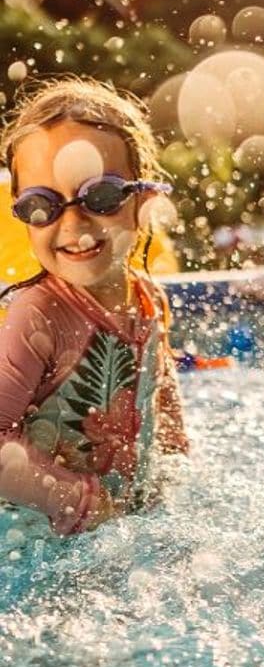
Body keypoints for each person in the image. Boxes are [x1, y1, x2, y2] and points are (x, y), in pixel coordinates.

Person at [0, 77, 187, 536]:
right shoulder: (39, 315)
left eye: (101, 196)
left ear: (143, 200)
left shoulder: (149, 299)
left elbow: (163, 402)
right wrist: (67, 495)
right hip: (35, 542)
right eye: (42, 205)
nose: (73, 224)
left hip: (120, 531)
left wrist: (178, 467)